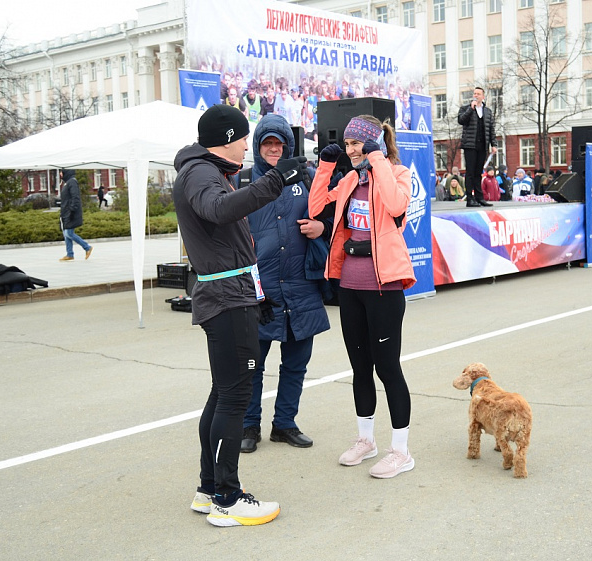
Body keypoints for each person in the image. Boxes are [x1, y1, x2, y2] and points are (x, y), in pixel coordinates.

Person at [173, 103, 307, 527]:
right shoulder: (200, 173)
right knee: (234, 395)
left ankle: (208, 489)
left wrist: (257, 292)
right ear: (227, 139)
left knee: (223, 392)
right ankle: (227, 497)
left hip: (234, 292)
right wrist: (274, 181)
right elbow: (217, 210)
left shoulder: (206, 170)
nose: (247, 146)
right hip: (225, 297)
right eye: (244, 138)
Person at [308, 114, 417, 479]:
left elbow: (396, 205)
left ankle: (401, 451)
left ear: (374, 144)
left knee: (388, 367)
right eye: (350, 143)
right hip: (350, 286)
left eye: (357, 143)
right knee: (360, 368)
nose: (351, 149)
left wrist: (378, 160)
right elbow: (316, 206)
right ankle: (365, 440)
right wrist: (325, 165)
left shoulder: (397, 174)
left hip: (384, 286)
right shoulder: (350, 178)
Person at [237, 114, 331, 453]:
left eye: (279, 144)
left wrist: (321, 228)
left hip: (300, 286)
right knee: (253, 366)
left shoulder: (307, 178)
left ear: (288, 145)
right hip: (259, 290)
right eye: (267, 144)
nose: (274, 149)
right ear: (259, 148)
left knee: (295, 364)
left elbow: (332, 215)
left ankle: (284, 424)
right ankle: (249, 426)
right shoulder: (244, 181)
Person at [457, 87, 496, 208]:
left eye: (478, 94)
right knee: (470, 172)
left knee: (478, 173)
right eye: (474, 94)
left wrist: (493, 144)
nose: (476, 95)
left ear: (483, 96)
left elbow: (491, 129)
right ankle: (470, 198)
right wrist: (470, 108)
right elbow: (461, 120)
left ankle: (480, 198)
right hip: (470, 145)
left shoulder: (488, 111)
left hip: (482, 145)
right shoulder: (465, 108)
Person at [58, 169, 93, 262]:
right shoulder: (67, 183)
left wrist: (71, 210)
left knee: (68, 233)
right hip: (66, 212)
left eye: (61, 172)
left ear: (66, 172)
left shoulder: (72, 182)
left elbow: (75, 197)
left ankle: (87, 247)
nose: (60, 174)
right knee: (66, 233)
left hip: (71, 212)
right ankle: (70, 254)